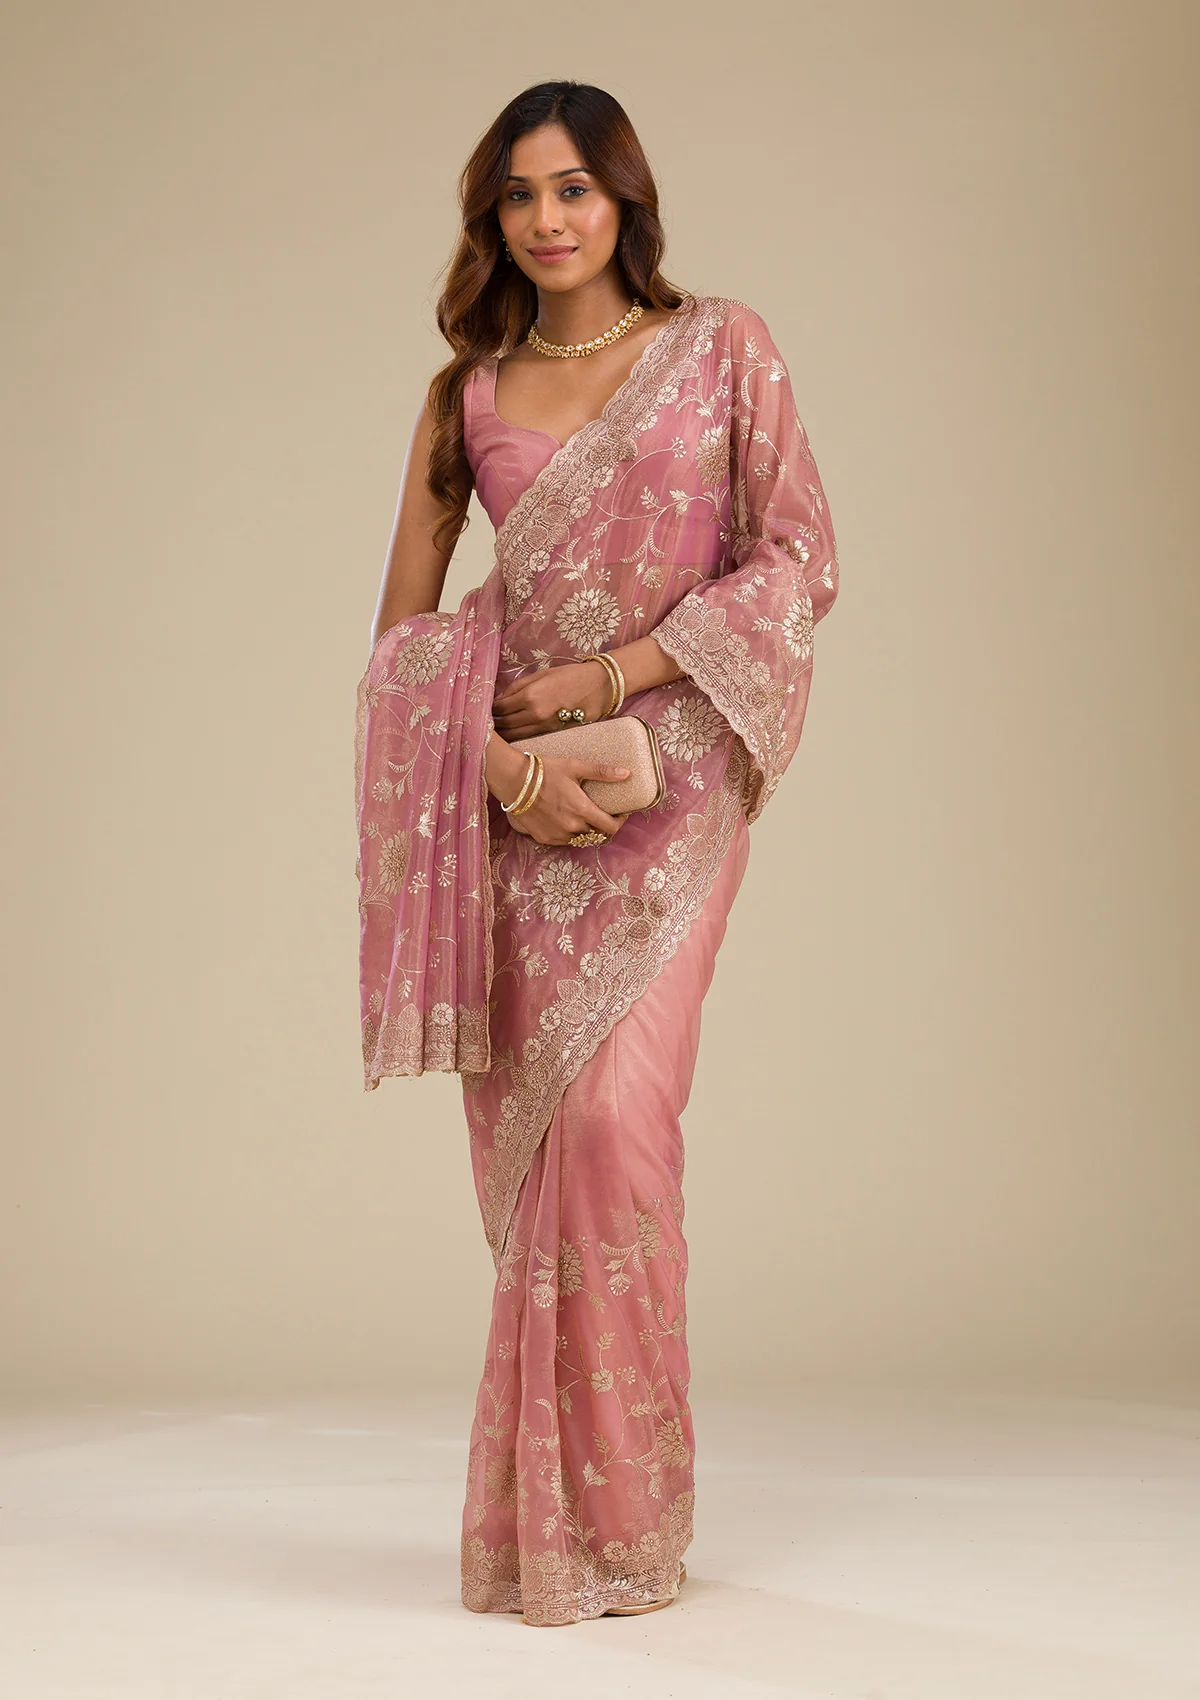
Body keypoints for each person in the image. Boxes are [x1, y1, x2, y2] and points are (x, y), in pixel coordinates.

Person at [355, 79, 839, 1628]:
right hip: (515, 803)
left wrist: (613, 679)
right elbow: (402, 645)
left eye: (574, 188)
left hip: (670, 787)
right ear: (490, 216)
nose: (548, 219)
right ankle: (544, 1530)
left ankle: (629, 1520)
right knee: (551, 1141)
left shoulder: (722, 349)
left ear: (627, 198)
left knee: (622, 1118)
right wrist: (499, 766)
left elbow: (799, 558)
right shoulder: (466, 395)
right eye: (519, 194)